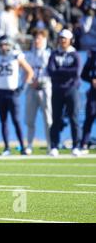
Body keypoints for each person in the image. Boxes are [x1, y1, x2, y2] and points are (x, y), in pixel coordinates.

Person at [0, 35, 34, 156]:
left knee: (16, 121)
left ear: (11, 45)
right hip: (0, 92)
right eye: (1, 44)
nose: (3, 47)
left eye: (6, 44)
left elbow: (29, 72)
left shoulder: (16, 55)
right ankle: (7, 148)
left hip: (13, 92)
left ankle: (23, 146)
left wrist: (23, 86)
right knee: (4, 121)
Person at [47, 29, 82, 157]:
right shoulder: (54, 54)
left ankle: (76, 146)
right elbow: (51, 71)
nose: (62, 40)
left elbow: (76, 72)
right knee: (56, 118)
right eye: (61, 38)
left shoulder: (74, 54)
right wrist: (65, 72)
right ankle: (54, 146)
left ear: (70, 40)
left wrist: (60, 71)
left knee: (74, 118)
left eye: (65, 38)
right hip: (57, 90)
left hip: (71, 90)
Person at [24, 29, 52, 154]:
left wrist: (41, 81)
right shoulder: (28, 55)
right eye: (35, 38)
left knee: (48, 119)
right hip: (31, 88)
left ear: (44, 40)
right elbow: (24, 73)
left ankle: (51, 145)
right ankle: (29, 145)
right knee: (30, 119)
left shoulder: (49, 55)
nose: (37, 41)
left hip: (45, 88)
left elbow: (52, 73)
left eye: (39, 38)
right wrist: (30, 82)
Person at [80, 48, 96, 154]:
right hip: (94, 93)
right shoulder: (93, 55)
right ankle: (84, 144)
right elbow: (84, 74)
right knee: (89, 117)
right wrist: (92, 80)